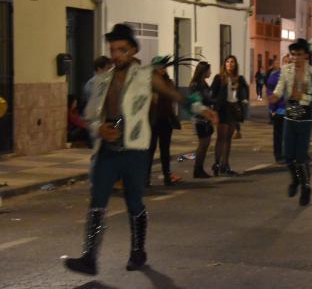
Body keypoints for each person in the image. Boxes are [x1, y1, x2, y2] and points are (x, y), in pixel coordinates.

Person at [64, 24, 216, 276]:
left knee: (134, 202)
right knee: (97, 203)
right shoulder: (102, 81)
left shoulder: (146, 76)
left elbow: (175, 94)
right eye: (113, 50)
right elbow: (90, 115)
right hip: (107, 151)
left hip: (134, 151)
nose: (116, 55)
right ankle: (89, 257)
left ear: (133, 50)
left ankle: (138, 251)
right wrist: (99, 128)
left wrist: (201, 110)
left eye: (121, 50)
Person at [269, 39, 312, 206]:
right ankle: (295, 180)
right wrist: (275, 96)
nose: (295, 57)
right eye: (293, 54)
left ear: (306, 55)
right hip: (290, 111)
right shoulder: (286, 70)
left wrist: (304, 97)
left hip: (305, 113)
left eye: (299, 54)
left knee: (301, 155)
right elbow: (279, 87)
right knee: (288, 154)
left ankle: (306, 186)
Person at [146, 56, 182, 187]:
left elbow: (172, 100)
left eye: (164, 66)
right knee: (150, 150)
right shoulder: (149, 82)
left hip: (165, 119)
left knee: (165, 150)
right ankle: (146, 178)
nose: (163, 69)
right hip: (152, 120)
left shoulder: (168, 82)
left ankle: (167, 175)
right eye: (160, 66)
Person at [210, 55, 249, 176]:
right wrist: (214, 109)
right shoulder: (219, 77)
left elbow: (245, 91)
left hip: (234, 108)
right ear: (224, 64)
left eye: (232, 62)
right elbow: (212, 93)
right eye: (228, 62)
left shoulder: (239, 78)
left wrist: (243, 100)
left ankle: (225, 165)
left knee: (228, 139)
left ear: (235, 64)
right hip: (223, 108)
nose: (230, 64)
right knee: (221, 138)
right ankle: (216, 164)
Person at [190, 61, 216, 178]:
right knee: (203, 144)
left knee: (205, 144)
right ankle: (197, 169)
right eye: (209, 70)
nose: (210, 72)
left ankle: (199, 168)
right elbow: (199, 101)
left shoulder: (203, 83)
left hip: (206, 117)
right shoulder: (196, 85)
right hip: (200, 118)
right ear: (203, 71)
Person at [266, 55, 287, 163]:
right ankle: (279, 156)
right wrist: (272, 109)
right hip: (280, 110)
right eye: (286, 62)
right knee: (279, 135)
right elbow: (270, 93)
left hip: (293, 110)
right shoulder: (275, 77)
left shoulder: (296, 75)